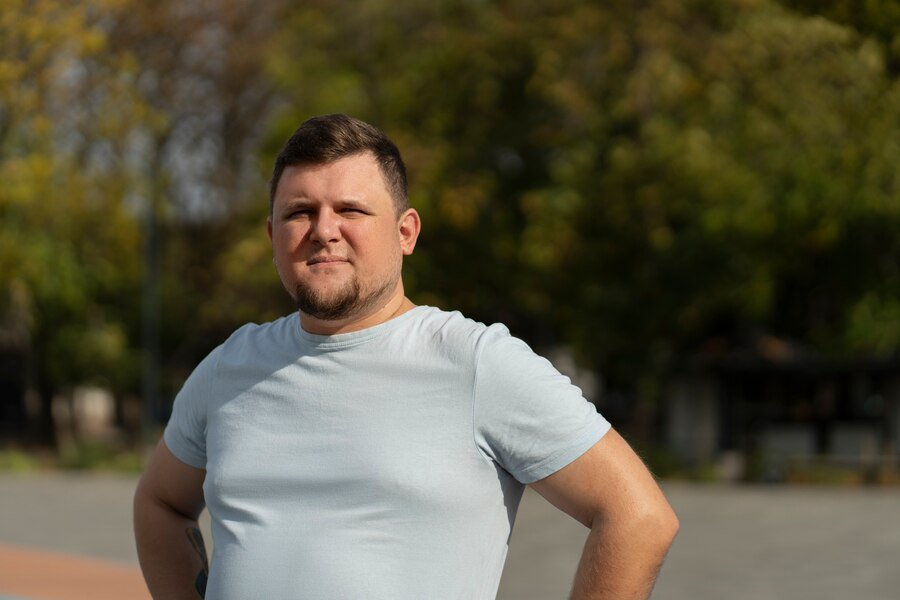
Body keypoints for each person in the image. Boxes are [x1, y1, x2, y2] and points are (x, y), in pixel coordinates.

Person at [133, 114, 679, 600]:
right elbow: (160, 503)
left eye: (350, 209)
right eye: (301, 212)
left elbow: (639, 517)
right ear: (273, 234)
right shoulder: (229, 367)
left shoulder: (477, 363)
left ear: (406, 232)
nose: (324, 231)